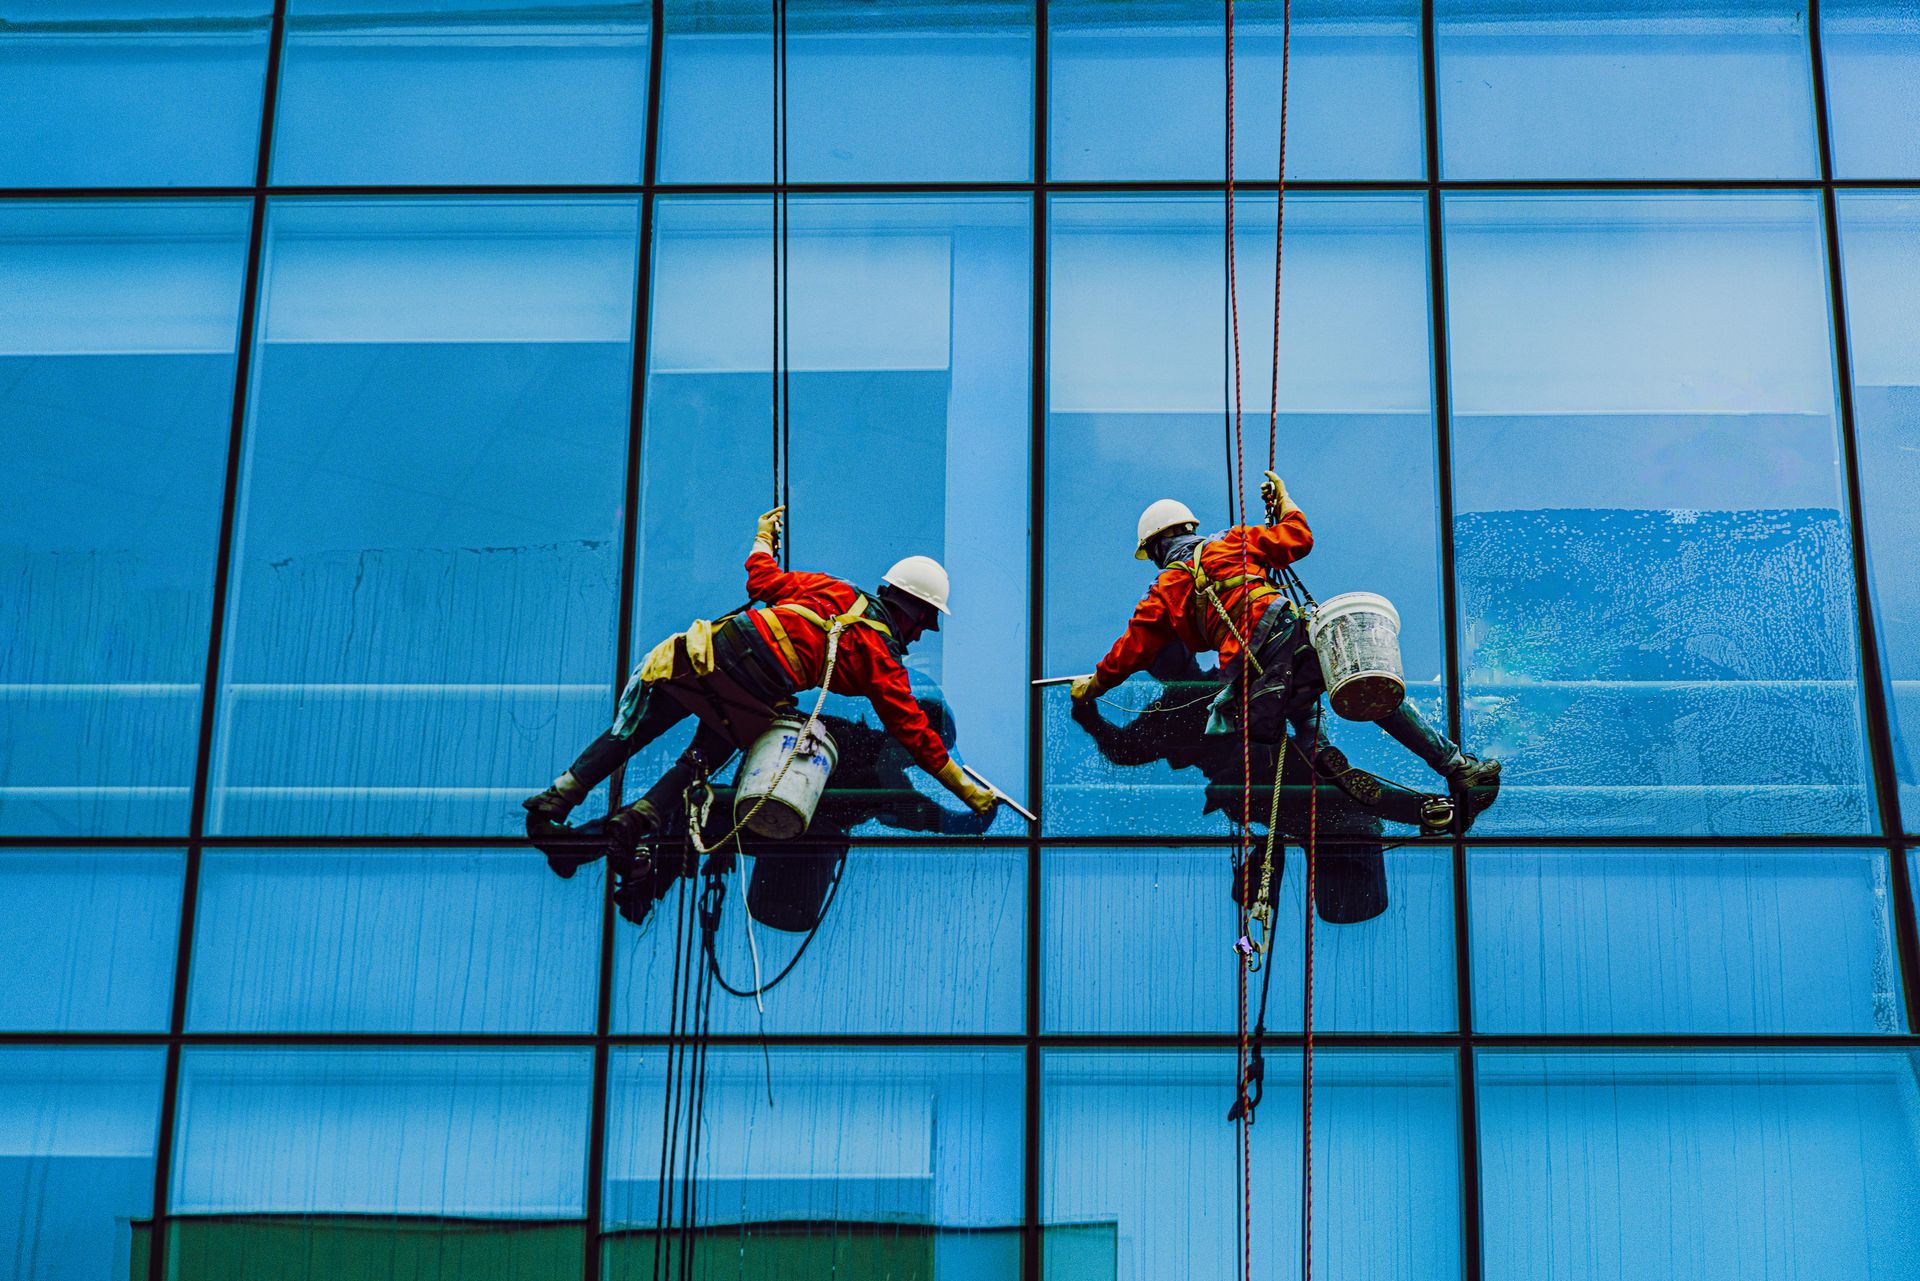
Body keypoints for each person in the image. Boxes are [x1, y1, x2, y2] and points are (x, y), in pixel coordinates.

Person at [522, 506, 998, 876]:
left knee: (635, 732)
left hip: (705, 655)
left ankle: (557, 801)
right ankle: (640, 817)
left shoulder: (830, 589)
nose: (919, 636)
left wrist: (763, 538)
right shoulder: (880, 655)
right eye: (924, 623)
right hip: (750, 687)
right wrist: (969, 793)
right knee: (717, 749)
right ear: (910, 609)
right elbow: (913, 730)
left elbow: (762, 580)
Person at [1068, 472, 1499, 811]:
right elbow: (1298, 538)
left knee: (1299, 721)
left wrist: (1092, 687)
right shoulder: (1234, 542)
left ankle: (1324, 754)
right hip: (1292, 637)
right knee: (1369, 690)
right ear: (1188, 528)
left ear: (1159, 545)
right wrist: (1285, 500)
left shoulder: (1164, 592)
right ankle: (1457, 767)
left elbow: (1128, 652)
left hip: (1256, 675)